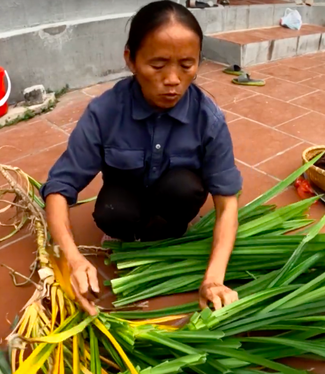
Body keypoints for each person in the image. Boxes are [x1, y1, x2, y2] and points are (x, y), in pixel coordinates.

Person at [41, 0, 243, 316]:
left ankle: (170, 229)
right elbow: (58, 187)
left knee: (185, 187)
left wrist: (213, 280)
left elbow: (227, 202)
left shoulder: (208, 119)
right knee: (112, 212)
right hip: (127, 195)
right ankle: (132, 231)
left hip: (173, 196)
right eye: (158, 65)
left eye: (186, 65)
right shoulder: (104, 112)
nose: (173, 79)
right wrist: (73, 259)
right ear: (131, 60)